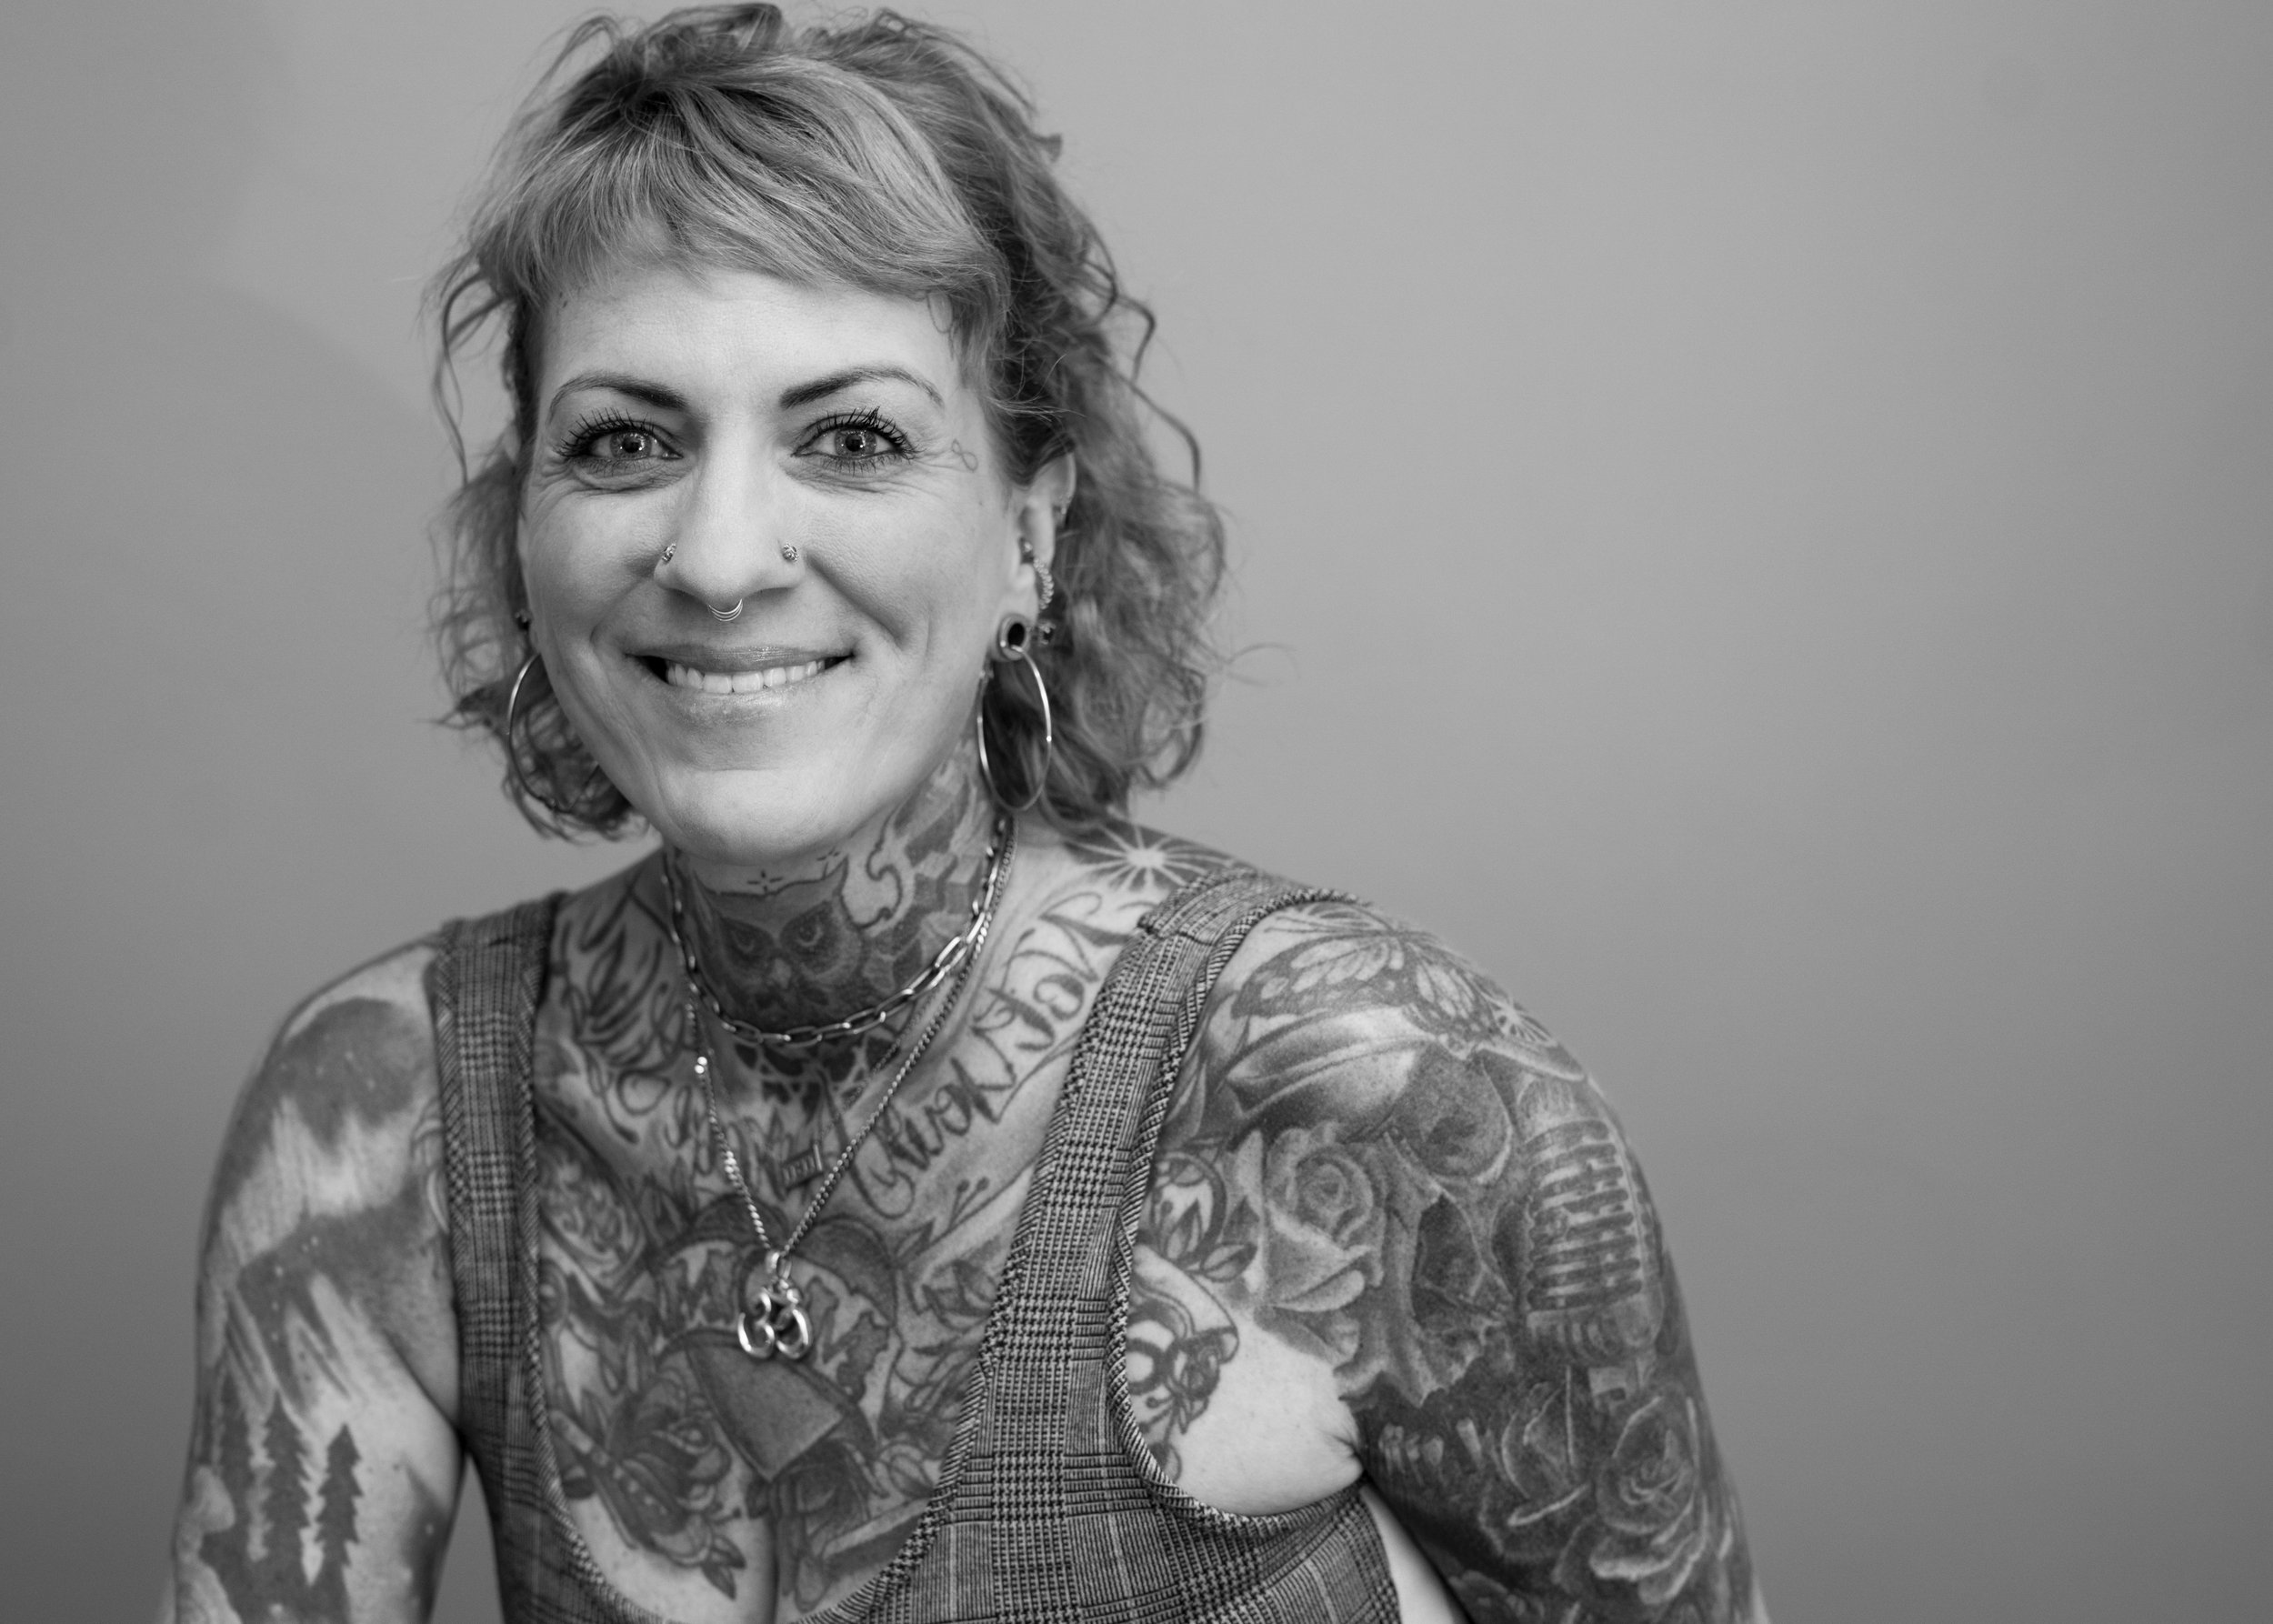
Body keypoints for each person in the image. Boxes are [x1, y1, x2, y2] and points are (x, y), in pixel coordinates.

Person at [165, 7, 1765, 1621]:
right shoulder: (380, 1127)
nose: (721, 557)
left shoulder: (1373, 1101)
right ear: (526, 528)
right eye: (625, 439)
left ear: (1030, 532)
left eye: (850, 437)